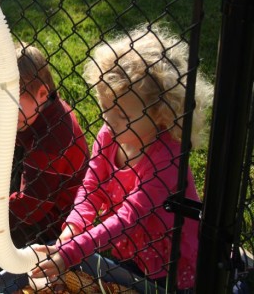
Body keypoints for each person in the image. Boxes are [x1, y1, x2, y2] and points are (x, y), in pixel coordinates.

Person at [29, 25, 214, 292]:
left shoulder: (167, 158)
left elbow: (130, 217)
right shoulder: (109, 135)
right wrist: (72, 230)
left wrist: (69, 254)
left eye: (123, 115)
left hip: (166, 259)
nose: (108, 120)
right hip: (126, 247)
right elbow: (91, 188)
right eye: (105, 108)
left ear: (160, 113)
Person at [0, 43, 89, 266]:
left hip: (51, 214)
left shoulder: (52, 139)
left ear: (41, 93)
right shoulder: (34, 111)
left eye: (9, 106)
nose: (2, 114)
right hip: (29, 181)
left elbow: (33, 206)